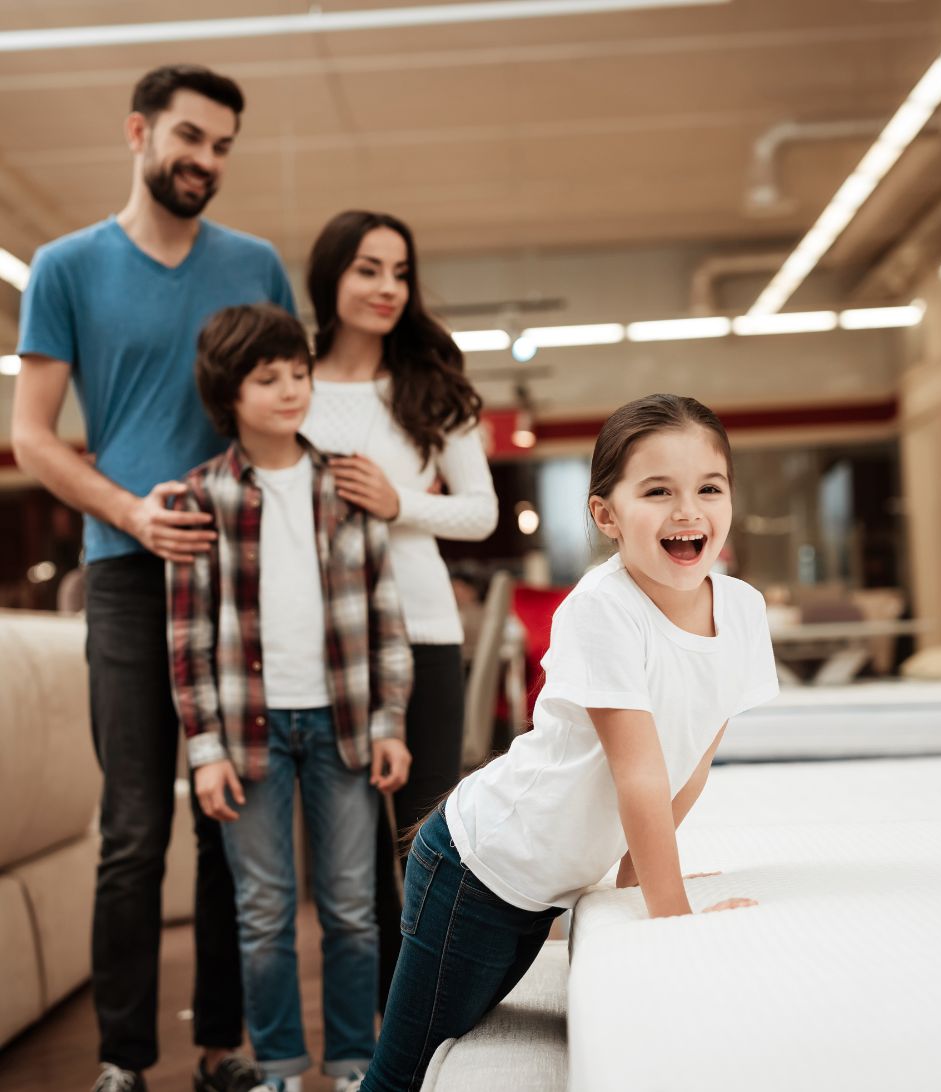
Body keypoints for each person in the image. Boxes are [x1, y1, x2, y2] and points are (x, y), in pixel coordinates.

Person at [360, 393, 781, 1092]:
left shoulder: (742, 609)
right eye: (657, 491)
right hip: (479, 869)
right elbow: (638, 775)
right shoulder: (602, 607)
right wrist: (673, 919)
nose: (688, 510)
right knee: (403, 1077)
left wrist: (638, 883)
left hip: (545, 882)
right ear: (605, 515)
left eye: (709, 487)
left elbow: (690, 760)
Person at [11, 65, 296, 1092]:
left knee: (234, 821)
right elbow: (31, 437)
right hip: (128, 575)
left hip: (241, 574)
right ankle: (125, 1062)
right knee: (135, 828)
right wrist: (132, 510)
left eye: (222, 146)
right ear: (137, 133)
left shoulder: (258, 263)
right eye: (189, 137)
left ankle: (224, 1050)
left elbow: (289, 412)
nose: (205, 161)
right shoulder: (66, 267)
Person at [167, 303, 414, 1092]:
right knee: (264, 915)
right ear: (228, 396)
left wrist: (390, 723)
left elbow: (385, 618)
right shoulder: (198, 497)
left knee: (350, 908)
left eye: (298, 374)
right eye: (267, 379)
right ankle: (276, 1068)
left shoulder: (347, 484)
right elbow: (188, 643)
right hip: (247, 734)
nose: (289, 390)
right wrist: (204, 753)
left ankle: (350, 1064)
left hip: (343, 723)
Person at [300, 210, 498, 1001]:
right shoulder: (292, 384)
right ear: (331, 277)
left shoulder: (432, 386)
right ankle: (374, 1024)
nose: (387, 287)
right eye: (367, 269)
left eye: (400, 271)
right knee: (349, 855)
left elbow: (479, 511)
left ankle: (429, 1009)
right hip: (325, 643)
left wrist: (398, 502)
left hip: (424, 633)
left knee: (425, 838)